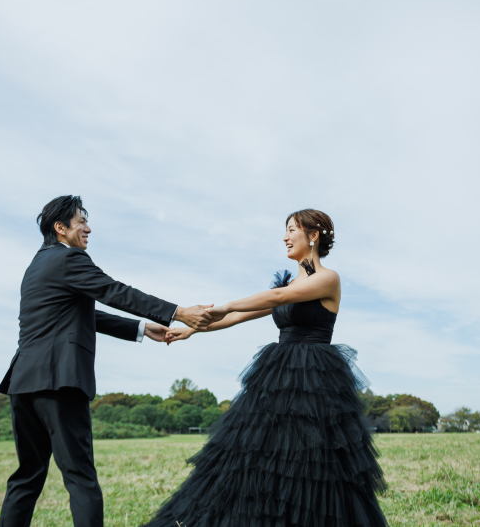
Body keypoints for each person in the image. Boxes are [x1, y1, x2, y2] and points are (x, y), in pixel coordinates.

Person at [144, 209, 389, 527]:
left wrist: (225, 304)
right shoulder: (289, 282)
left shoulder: (328, 279)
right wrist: (194, 329)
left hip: (316, 379)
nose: (285, 237)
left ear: (313, 236)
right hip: (278, 377)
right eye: (285, 231)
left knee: (314, 458)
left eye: (292, 230)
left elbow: (276, 296)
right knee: (259, 454)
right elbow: (238, 317)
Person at [0, 195, 213, 527]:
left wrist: (140, 328)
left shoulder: (36, 266)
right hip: (60, 382)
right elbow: (115, 291)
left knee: (27, 476)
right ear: (61, 228)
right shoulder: (70, 260)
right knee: (80, 477)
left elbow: (80, 315)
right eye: (82, 221)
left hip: (23, 383)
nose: (88, 228)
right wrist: (178, 312)